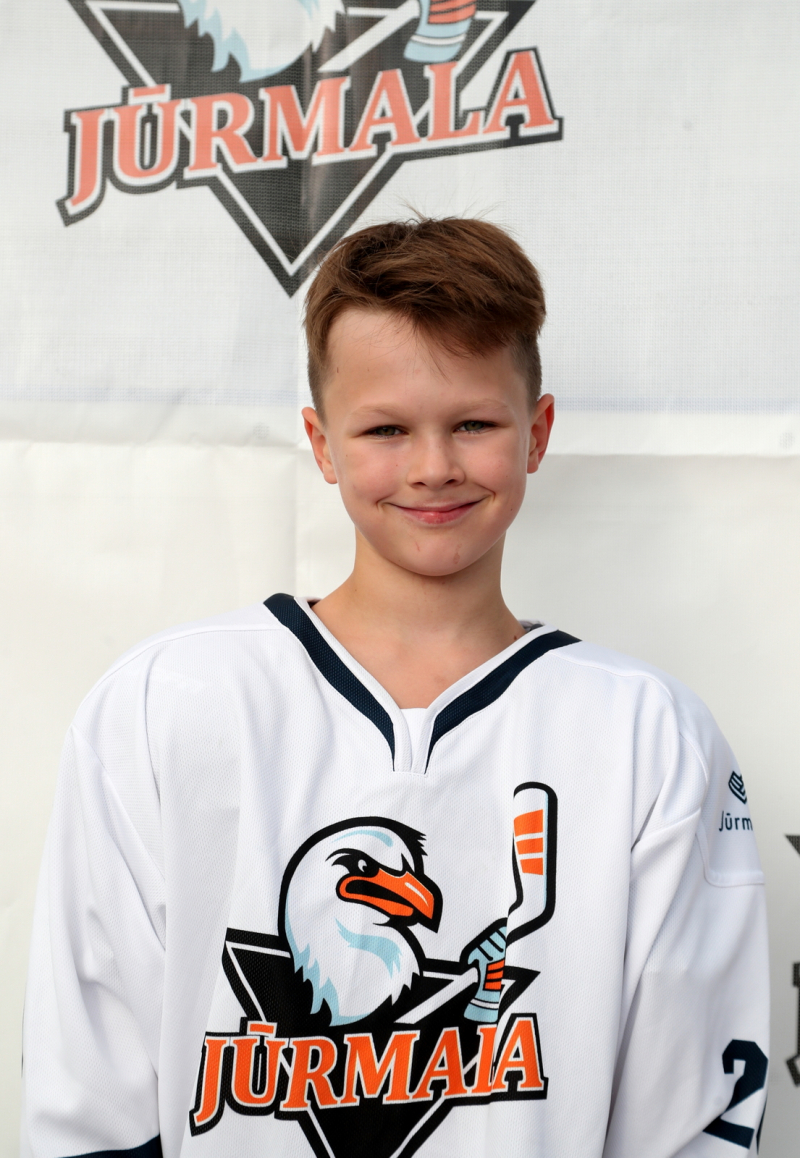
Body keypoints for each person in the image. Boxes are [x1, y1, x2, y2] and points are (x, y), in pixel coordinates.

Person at [22, 217, 769, 1158]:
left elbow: (689, 1116)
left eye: (473, 424)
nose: (433, 467)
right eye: (385, 429)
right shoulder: (163, 706)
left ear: (537, 433)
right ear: (321, 443)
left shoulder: (649, 736)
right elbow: (90, 1096)